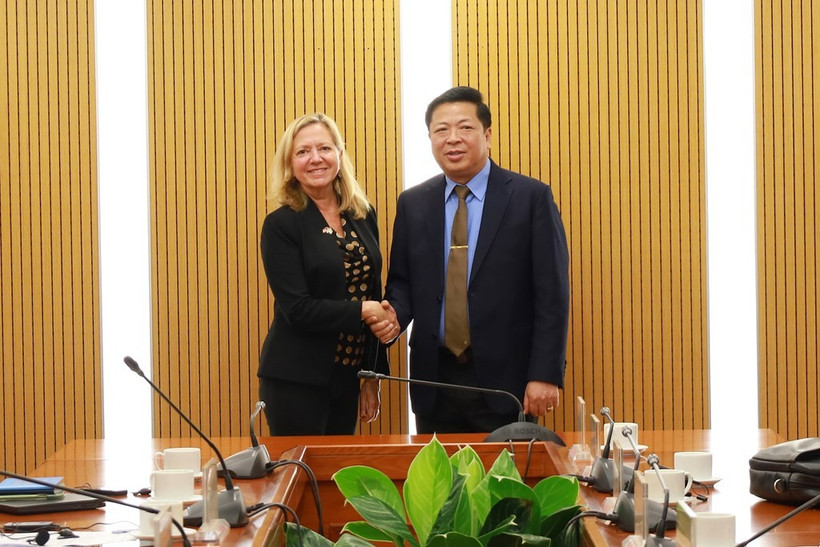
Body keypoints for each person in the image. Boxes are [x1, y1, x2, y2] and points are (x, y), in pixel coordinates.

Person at [372, 86, 570, 434]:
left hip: (505, 382)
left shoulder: (530, 198)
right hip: (435, 380)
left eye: (465, 127)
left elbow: (552, 293)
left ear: (487, 134)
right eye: (441, 130)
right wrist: (393, 317)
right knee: (436, 486)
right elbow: (403, 283)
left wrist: (544, 374)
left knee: (505, 486)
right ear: (430, 138)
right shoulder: (413, 204)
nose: (452, 139)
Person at [258, 112, 392, 435]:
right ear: (290, 164)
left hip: (348, 379)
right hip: (296, 381)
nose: (315, 158)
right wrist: (363, 311)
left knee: (336, 478)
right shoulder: (281, 225)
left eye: (324, 148)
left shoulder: (362, 214)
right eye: (303, 152)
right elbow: (298, 310)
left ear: (339, 155)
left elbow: (372, 292)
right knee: (303, 479)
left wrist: (371, 376)